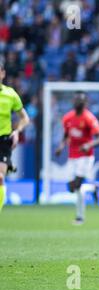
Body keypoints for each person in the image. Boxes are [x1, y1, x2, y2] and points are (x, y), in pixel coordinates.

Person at [55, 91, 99, 225]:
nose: (78, 103)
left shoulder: (89, 118)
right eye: (76, 101)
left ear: (85, 103)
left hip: (86, 157)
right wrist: (61, 146)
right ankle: (93, 188)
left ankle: (79, 217)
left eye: (81, 101)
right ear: (73, 102)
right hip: (72, 156)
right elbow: (65, 135)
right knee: (72, 188)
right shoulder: (67, 118)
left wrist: (89, 145)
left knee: (77, 184)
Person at [0, 59, 30, 213]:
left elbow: (25, 118)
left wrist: (17, 131)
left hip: (3, 141)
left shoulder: (10, 95)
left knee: (0, 177)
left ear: (2, 74)